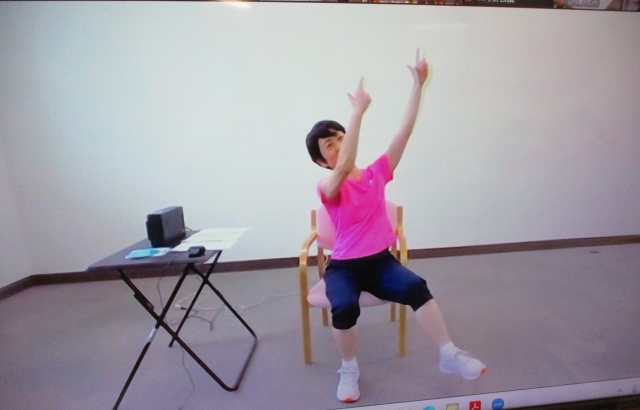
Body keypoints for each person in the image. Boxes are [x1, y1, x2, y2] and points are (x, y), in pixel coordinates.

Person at [305, 49, 486, 403]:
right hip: (344, 267)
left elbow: (404, 131)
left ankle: (449, 354)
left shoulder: (377, 173)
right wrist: (357, 113)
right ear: (321, 161)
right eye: (330, 144)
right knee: (344, 307)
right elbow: (344, 165)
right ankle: (349, 368)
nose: (340, 145)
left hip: (380, 262)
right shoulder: (328, 186)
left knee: (417, 287)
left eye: (341, 137)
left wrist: (419, 85)